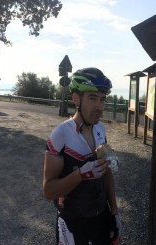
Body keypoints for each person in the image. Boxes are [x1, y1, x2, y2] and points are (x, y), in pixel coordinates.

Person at [41, 67, 120, 244]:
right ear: (76, 99)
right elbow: (48, 191)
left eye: (102, 99)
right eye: (92, 99)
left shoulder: (100, 129)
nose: (99, 107)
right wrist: (81, 175)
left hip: (101, 216)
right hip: (72, 221)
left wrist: (114, 211)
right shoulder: (60, 135)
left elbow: (106, 172)